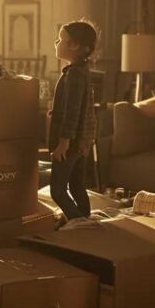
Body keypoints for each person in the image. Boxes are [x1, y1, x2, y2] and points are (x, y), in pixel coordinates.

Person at [49, 19, 101, 230]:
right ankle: (84, 217)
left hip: (70, 143)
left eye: (61, 39)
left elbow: (72, 113)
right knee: (78, 187)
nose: (56, 42)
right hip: (82, 141)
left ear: (74, 46)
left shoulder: (74, 75)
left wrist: (63, 143)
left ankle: (77, 221)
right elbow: (77, 106)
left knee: (58, 190)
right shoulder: (82, 71)